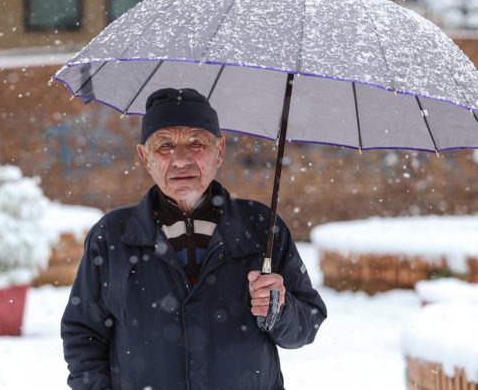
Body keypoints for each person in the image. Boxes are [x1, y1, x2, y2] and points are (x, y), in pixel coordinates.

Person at [61, 87, 327, 390]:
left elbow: (307, 325)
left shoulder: (261, 228)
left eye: (196, 142)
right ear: (144, 157)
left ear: (220, 151)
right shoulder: (111, 236)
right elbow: (83, 335)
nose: (181, 159)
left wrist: (281, 310)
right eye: (164, 146)